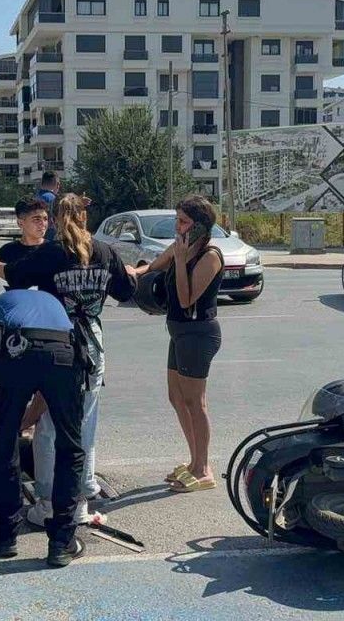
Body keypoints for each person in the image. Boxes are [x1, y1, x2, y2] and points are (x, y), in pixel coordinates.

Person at [0, 193, 135, 528]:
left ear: (57, 219)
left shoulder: (52, 252)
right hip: (92, 343)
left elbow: (15, 276)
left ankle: (49, 500)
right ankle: (79, 498)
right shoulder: (104, 251)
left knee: (50, 425)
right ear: (84, 218)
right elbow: (126, 291)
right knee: (84, 424)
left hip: (57, 339)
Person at [0, 289, 88, 568]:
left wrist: (4, 411)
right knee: (70, 447)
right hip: (62, 353)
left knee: (4, 444)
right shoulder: (52, 304)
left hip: (14, 351)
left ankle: (5, 537)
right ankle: (61, 542)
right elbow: (43, 395)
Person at [130, 195, 224, 492]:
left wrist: (181, 261)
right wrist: (134, 272)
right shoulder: (179, 248)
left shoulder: (210, 256)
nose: (177, 226)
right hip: (179, 332)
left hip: (199, 334)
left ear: (199, 226)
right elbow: (154, 266)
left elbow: (186, 299)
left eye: (183, 221)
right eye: (177, 219)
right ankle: (195, 460)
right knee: (176, 397)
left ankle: (203, 470)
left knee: (195, 402)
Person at [35, 171, 60, 241]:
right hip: (50, 237)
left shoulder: (35, 197)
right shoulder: (53, 199)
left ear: (42, 183)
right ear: (58, 184)